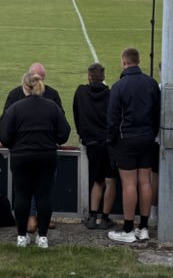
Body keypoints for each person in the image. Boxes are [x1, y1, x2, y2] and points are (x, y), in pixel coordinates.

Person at [0, 71, 71, 249]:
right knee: (43, 196)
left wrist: (17, 143)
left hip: (21, 157)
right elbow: (64, 134)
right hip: (46, 156)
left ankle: (22, 236)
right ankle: (43, 237)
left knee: (22, 195)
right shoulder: (52, 107)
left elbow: (4, 136)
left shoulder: (15, 108)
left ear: (24, 87)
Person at [106, 48, 160, 243]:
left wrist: (111, 140)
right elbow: (157, 113)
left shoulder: (119, 86)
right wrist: (151, 134)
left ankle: (129, 228)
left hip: (126, 139)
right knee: (145, 181)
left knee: (129, 183)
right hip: (147, 138)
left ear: (124, 62)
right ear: (139, 61)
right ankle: (143, 227)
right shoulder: (152, 84)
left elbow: (112, 120)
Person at [72, 63, 116, 230]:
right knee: (109, 180)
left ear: (89, 77)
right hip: (108, 143)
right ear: (103, 78)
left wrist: (83, 133)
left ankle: (92, 217)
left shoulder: (81, 92)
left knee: (97, 180)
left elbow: (76, 114)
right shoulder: (110, 93)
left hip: (90, 142)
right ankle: (104, 218)